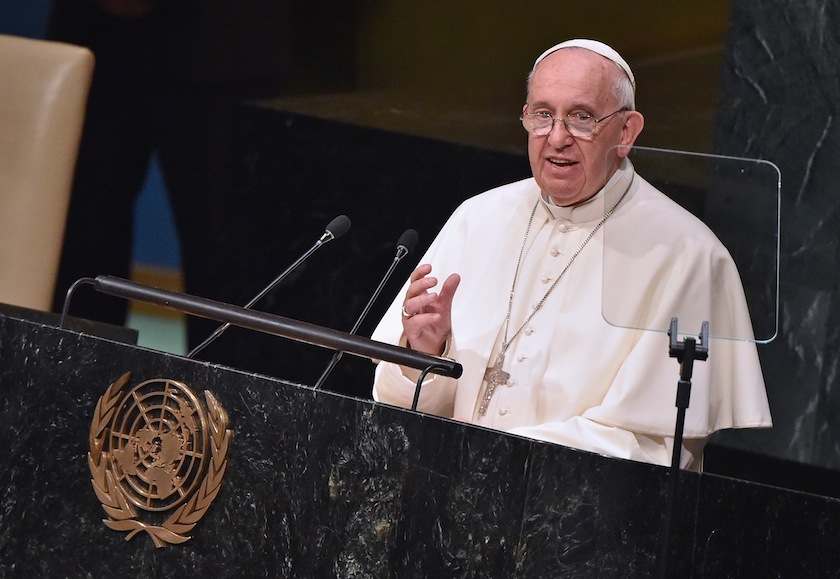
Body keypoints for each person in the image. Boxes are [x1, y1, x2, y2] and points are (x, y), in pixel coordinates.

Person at [371, 39, 772, 471]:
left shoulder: (689, 253)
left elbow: (647, 446)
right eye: (542, 115)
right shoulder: (479, 216)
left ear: (627, 131)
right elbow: (402, 407)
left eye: (582, 118)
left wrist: (494, 458)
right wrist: (423, 354)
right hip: (454, 503)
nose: (557, 138)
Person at [47, 0, 290, 347]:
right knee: (82, 240)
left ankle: (218, 397)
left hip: (223, 40)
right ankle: (77, 382)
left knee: (223, 253)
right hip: (94, 32)